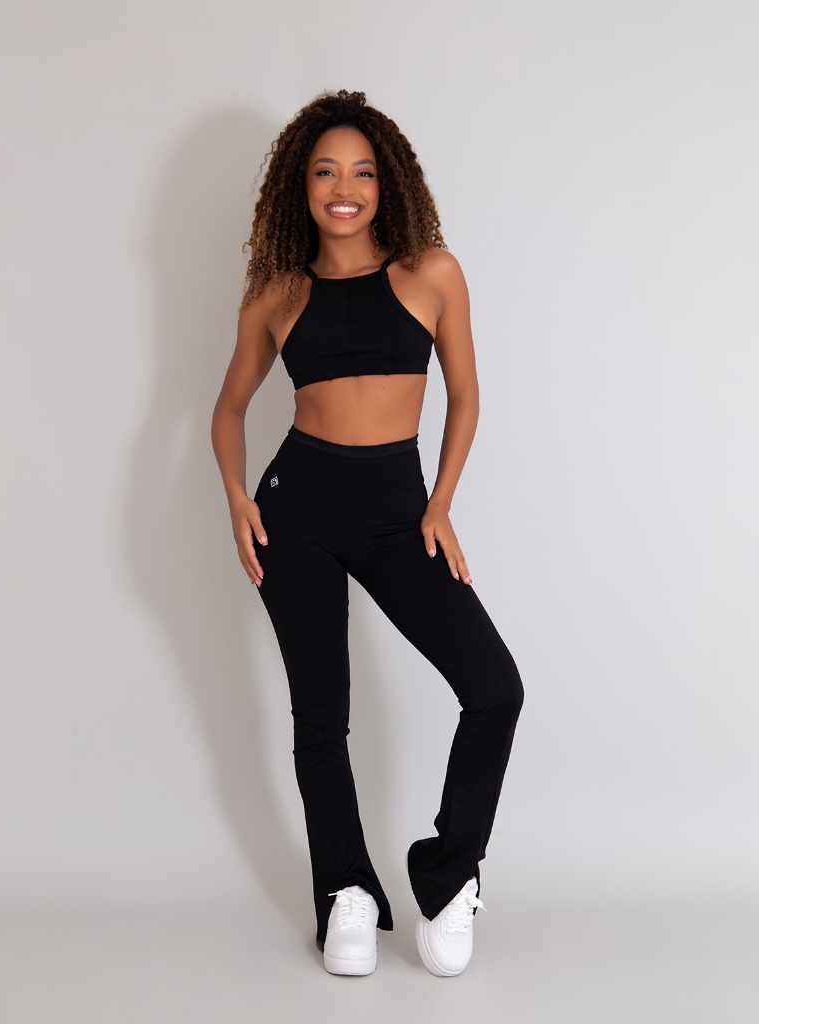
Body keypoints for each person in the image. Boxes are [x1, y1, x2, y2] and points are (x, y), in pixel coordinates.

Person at [211, 90, 523, 977]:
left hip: (398, 512)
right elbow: (228, 409)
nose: (343, 189)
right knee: (322, 716)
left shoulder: (433, 273)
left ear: (388, 185)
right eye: (325, 172)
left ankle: (449, 879)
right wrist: (236, 497)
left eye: (361, 172)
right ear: (300, 186)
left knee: (494, 687)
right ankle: (344, 891)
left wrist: (440, 503)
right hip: (297, 510)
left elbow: (465, 396)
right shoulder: (276, 293)